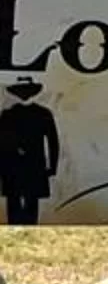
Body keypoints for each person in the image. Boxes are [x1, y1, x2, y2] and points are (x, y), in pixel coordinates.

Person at [0, 77, 59, 225]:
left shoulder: (41, 114)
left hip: (24, 165)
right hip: (20, 164)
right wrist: (52, 167)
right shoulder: (8, 115)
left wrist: (52, 166)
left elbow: (53, 142)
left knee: (28, 201)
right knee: (18, 201)